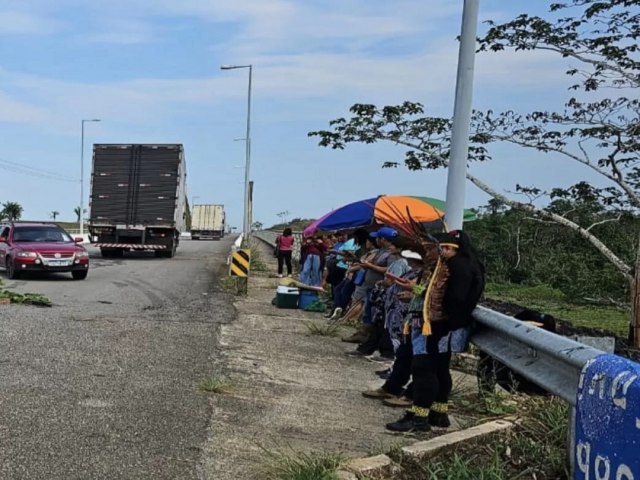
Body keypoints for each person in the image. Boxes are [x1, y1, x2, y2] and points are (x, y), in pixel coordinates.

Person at [386, 230, 485, 432]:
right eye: (441, 248)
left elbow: (452, 298)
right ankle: (438, 413)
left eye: (445, 248)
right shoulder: (449, 265)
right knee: (439, 368)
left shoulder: (454, 268)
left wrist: (443, 321)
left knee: (423, 368)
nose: (440, 252)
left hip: (435, 326)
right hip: (437, 325)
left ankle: (418, 418)